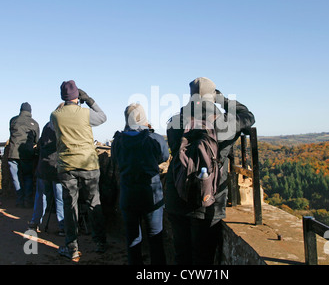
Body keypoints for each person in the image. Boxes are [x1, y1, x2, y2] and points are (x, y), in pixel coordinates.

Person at [165, 77, 255, 265]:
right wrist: (222, 100)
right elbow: (248, 116)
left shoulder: (174, 121)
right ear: (212, 97)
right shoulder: (224, 123)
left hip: (177, 195)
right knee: (203, 259)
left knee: (182, 256)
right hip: (208, 200)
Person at [51, 80, 107, 259]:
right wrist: (89, 100)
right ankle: (100, 242)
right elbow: (103, 117)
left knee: (70, 206)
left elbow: (55, 130)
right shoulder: (85, 113)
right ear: (77, 96)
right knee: (93, 202)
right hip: (89, 164)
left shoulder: (55, 115)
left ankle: (71, 246)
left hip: (66, 166)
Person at [111, 103, 169, 265]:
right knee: (155, 238)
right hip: (151, 195)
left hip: (128, 194)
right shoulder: (154, 139)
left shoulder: (118, 141)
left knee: (132, 239)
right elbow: (164, 157)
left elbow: (115, 160)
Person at [28, 104, 65, 236]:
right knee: (60, 198)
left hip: (43, 166)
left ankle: (34, 222)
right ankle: (62, 226)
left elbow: (40, 145)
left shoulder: (46, 126)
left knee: (41, 196)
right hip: (57, 168)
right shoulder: (63, 127)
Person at [8, 102, 40, 208]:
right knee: (28, 177)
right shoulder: (34, 123)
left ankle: (19, 199)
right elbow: (36, 140)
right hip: (27, 154)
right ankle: (27, 200)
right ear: (30, 112)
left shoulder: (13, 120)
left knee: (15, 178)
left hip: (12, 153)